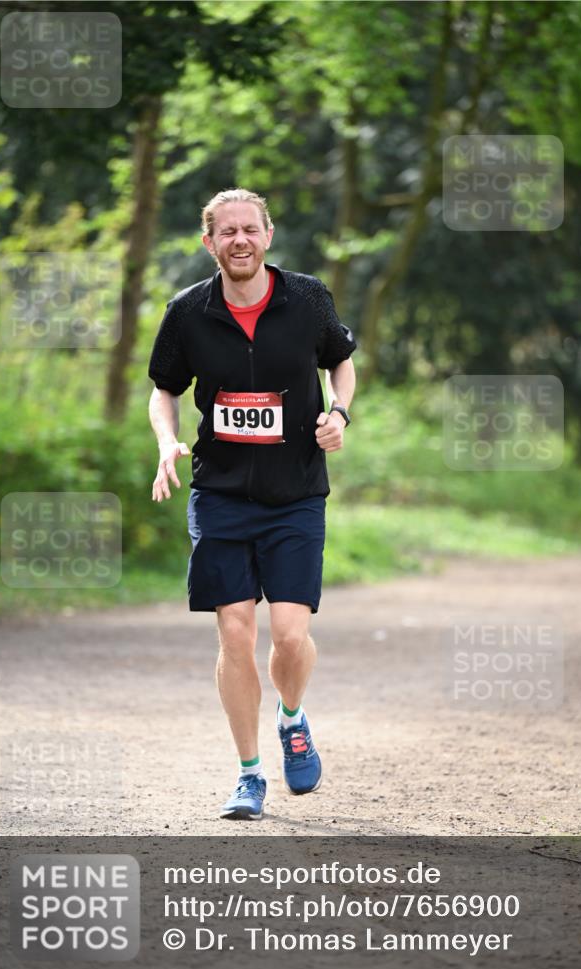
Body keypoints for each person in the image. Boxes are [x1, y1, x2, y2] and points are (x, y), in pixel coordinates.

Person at [147, 188, 356, 819]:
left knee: (290, 636)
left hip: (295, 492)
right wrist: (166, 442)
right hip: (221, 491)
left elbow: (341, 366)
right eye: (226, 232)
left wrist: (339, 414)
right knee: (235, 631)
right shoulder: (187, 312)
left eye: (250, 230)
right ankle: (248, 775)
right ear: (210, 244)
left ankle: (292, 719)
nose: (239, 241)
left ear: (267, 236)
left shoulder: (307, 298)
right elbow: (164, 391)